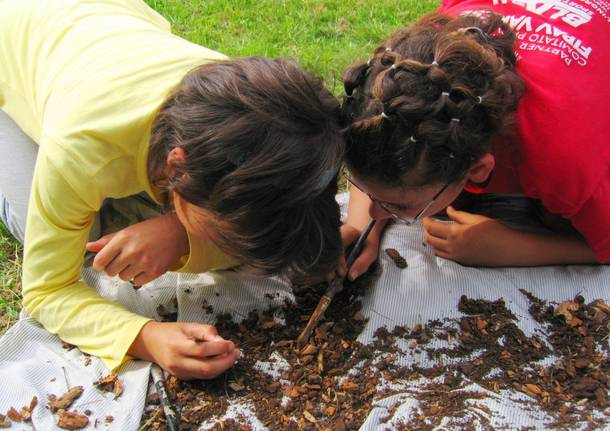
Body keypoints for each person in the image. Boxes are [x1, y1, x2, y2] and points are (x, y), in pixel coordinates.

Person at [0, 0, 344, 380]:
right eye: (221, 236)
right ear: (177, 168)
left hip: (105, 18)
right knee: (87, 241)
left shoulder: (255, 107)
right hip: (11, 50)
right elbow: (47, 291)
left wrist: (179, 233)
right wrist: (146, 336)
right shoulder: (81, 149)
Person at [339, 0, 609, 280]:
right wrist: (360, 227)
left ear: (478, 170)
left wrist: (516, 247)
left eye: (400, 208)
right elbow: (380, 139)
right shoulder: (409, 73)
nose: (376, 213)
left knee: (558, 219)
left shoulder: (565, 159)